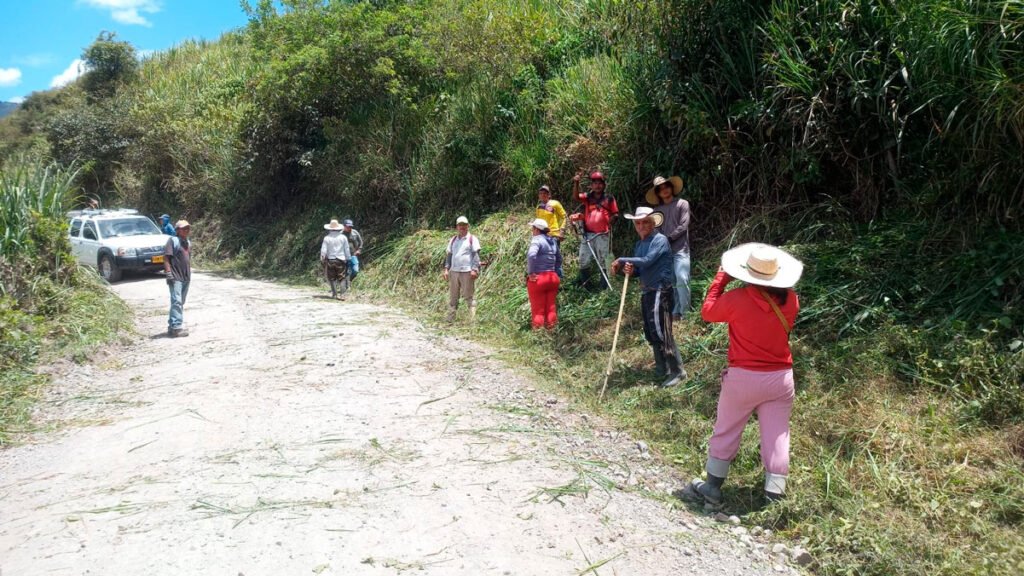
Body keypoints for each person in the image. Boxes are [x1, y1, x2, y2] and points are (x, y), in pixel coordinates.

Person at [684, 243, 803, 507]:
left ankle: (712, 487)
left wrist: (721, 278)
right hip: (781, 378)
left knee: (727, 429)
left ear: (746, 272)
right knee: (777, 435)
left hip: (743, 377)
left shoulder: (737, 299)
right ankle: (774, 496)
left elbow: (708, 311)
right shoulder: (792, 300)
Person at [611, 207, 685, 388]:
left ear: (652, 223)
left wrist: (621, 259)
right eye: (638, 222)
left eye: (645, 222)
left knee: (662, 332)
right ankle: (662, 368)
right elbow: (640, 269)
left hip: (661, 290)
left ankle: (677, 371)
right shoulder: (639, 245)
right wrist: (629, 270)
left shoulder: (660, 240)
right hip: (647, 291)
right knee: (651, 332)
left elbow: (648, 260)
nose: (641, 225)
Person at [646, 176, 691, 320]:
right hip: (665, 253)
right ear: (658, 193)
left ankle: (686, 313)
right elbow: (655, 230)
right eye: (660, 189)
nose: (664, 190)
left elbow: (684, 225)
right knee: (671, 282)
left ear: (671, 187)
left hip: (681, 250)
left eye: (666, 186)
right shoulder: (656, 211)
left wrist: (668, 238)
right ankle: (676, 311)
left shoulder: (682, 204)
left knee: (682, 278)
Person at [570, 171, 618, 290]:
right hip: (587, 235)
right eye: (595, 183)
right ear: (591, 185)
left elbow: (616, 214)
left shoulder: (609, 198)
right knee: (583, 259)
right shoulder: (588, 197)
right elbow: (576, 197)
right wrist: (576, 182)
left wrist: (611, 221)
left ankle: (604, 286)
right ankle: (587, 286)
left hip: (602, 234)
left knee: (603, 260)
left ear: (604, 185)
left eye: (600, 183)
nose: (597, 185)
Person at [443, 216, 481, 322]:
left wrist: (474, 269)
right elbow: (449, 255)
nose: (462, 227)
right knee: (453, 296)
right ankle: (451, 318)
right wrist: (446, 269)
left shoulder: (472, 239)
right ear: (457, 227)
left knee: (469, 296)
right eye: (460, 225)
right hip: (454, 271)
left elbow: (475, 255)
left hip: (467, 272)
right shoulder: (453, 240)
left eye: (464, 225)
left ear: (468, 226)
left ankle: (472, 320)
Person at [526, 218, 562, 330]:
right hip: (552, 278)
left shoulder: (537, 239)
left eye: (533, 228)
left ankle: (538, 334)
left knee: (538, 310)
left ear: (537, 229)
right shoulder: (552, 241)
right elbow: (559, 259)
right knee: (551, 307)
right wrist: (555, 271)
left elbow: (531, 255)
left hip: (539, 278)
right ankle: (551, 331)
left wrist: (531, 272)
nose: (532, 230)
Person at [164, 220, 192, 337]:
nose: (186, 230)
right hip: (175, 277)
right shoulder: (172, 241)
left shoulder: (188, 242)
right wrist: (168, 273)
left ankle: (172, 326)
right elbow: (166, 259)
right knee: (177, 301)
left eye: (187, 228)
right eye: (183, 228)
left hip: (186, 277)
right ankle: (177, 327)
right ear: (177, 230)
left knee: (180, 301)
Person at [536, 185, 566, 278]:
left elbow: (564, 217)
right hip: (542, 236)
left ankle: (559, 278)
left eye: (545, 193)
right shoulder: (539, 207)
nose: (543, 195)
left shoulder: (555, 203)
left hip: (553, 235)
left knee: (555, 258)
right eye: (541, 193)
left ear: (549, 195)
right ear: (539, 195)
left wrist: (561, 231)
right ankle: (548, 279)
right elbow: (538, 222)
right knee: (544, 258)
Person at [320, 218, 351, 300]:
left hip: (331, 260)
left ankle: (334, 294)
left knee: (332, 278)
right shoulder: (343, 237)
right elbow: (346, 249)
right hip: (341, 260)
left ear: (330, 228)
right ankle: (343, 295)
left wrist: (322, 258)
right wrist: (348, 258)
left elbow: (323, 250)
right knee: (342, 277)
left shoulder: (326, 238)